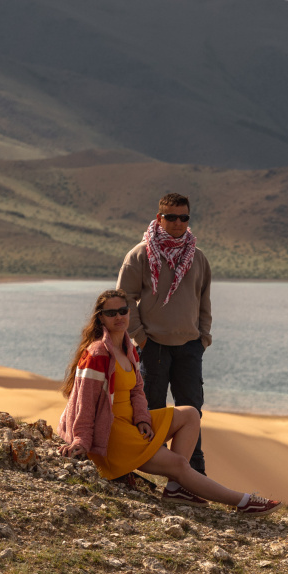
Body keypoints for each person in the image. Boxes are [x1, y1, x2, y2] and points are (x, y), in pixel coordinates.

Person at [57, 289, 279, 514]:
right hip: (112, 434)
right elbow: (84, 402)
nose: (118, 317)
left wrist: (143, 419)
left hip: (131, 424)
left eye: (123, 311)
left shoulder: (128, 348)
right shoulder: (97, 353)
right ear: (101, 318)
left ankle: (175, 487)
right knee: (180, 464)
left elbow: (137, 390)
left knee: (190, 414)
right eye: (111, 313)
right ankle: (244, 501)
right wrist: (81, 440)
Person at [117, 193, 212, 478]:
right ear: (159, 218)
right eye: (171, 217)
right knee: (151, 410)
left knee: (192, 410)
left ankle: (192, 475)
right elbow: (124, 299)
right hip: (153, 347)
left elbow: (204, 300)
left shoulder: (197, 257)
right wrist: (140, 337)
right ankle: (149, 469)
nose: (178, 222)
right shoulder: (140, 254)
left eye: (184, 217)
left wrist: (203, 339)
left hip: (189, 347)